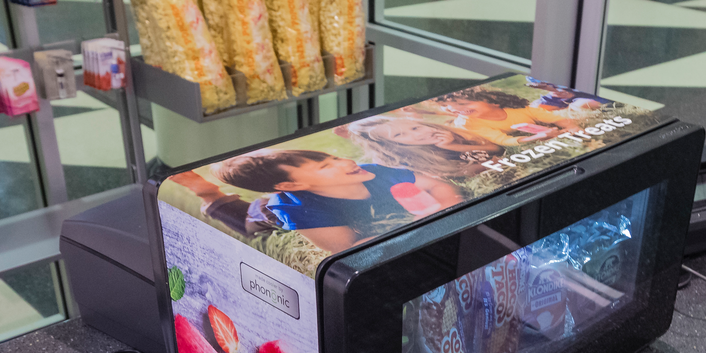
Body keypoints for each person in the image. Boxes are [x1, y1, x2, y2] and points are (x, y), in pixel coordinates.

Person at [214, 147, 462, 253]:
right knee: (244, 222)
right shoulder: (297, 210)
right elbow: (348, 247)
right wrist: (415, 228)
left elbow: (436, 184)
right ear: (293, 185)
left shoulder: (374, 173)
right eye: (326, 166)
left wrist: (447, 206)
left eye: (334, 157)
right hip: (263, 216)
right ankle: (208, 195)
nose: (346, 162)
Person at [344, 114, 512, 194]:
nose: (417, 134)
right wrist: (488, 165)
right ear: (392, 145)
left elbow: (496, 149)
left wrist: (453, 145)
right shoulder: (406, 160)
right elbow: (459, 176)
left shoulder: (444, 132)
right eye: (399, 135)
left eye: (415, 127)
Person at [427, 88, 590, 147]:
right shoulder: (468, 123)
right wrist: (540, 136)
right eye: (455, 109)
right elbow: (502, 140)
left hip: (533, 125)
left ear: (490, 101)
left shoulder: (518, 109)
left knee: (578, 112)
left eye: (464, 105)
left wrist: (572, 126)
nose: (461, 111)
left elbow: (554, 119)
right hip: (493, 141)